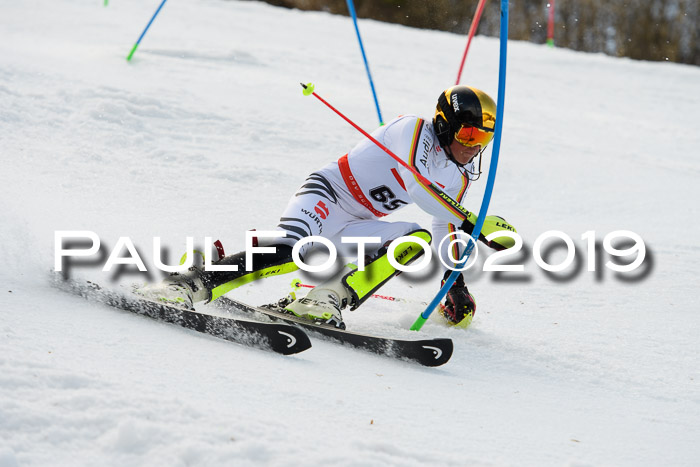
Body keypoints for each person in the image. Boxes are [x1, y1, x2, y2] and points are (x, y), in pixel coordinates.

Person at [137, 85, 516, 328]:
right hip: (327, 195)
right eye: (468, 132)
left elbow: (441, 224)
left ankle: (325, 298)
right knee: (290, 251)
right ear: (445, 123)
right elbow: (419, 189)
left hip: (359, 221)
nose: (473, 145)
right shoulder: (412, 130)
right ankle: (190, 284)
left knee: (411, 241)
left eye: (484, 136)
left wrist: (455, 283)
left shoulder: (458, 177)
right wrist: (474, 222)